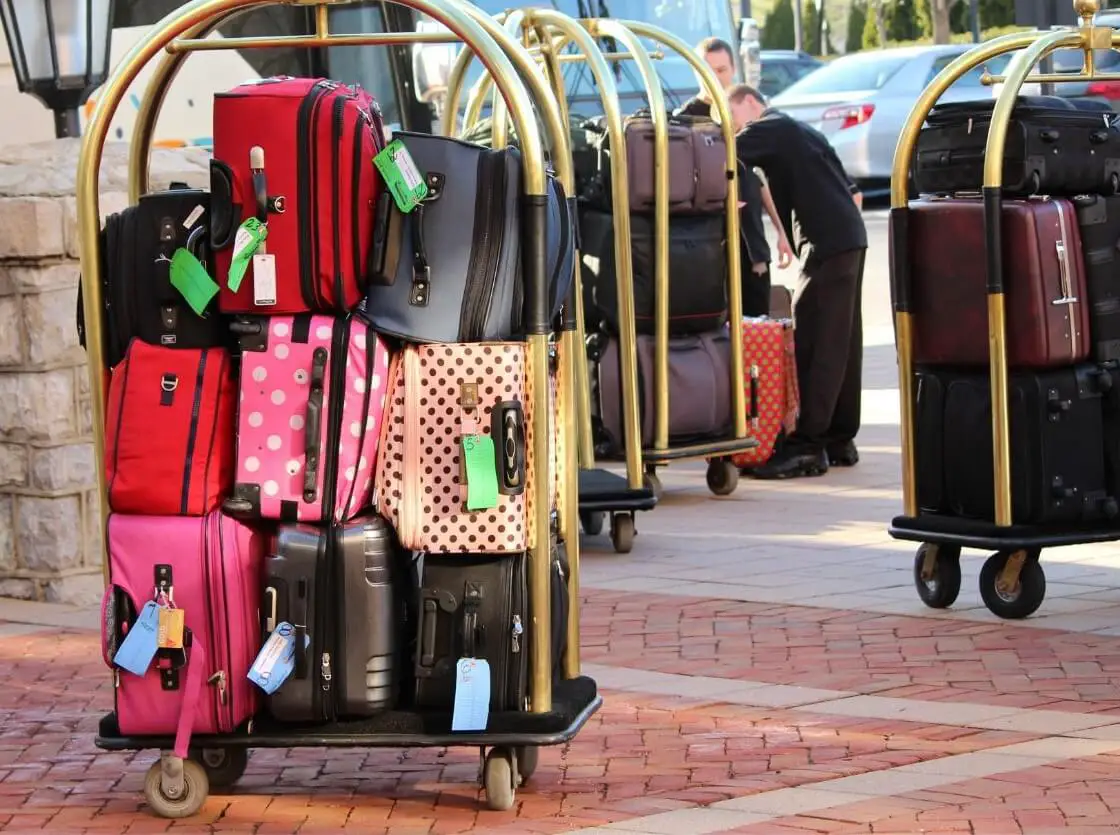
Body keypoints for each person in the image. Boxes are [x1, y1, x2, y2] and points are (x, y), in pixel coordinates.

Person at [726, 83, 867, 479]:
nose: (735, 128)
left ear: (750, 104)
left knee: (816, 341)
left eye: (733, 116)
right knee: (842, 342)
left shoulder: (771, 127)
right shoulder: (805, 131)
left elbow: (723, 152)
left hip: (825, 242)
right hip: (848, 237)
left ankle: (807, 445)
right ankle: (840, 437)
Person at [674, 38, 793, 317]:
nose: (716, 77)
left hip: (751, 242)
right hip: (709, 242)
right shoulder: (684, 119)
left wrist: (782, 232)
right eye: (708, 70)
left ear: (733, 69)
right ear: (696, 72)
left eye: (722, 69)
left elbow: (759, 178)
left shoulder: (745, 109)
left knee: (758, 322)